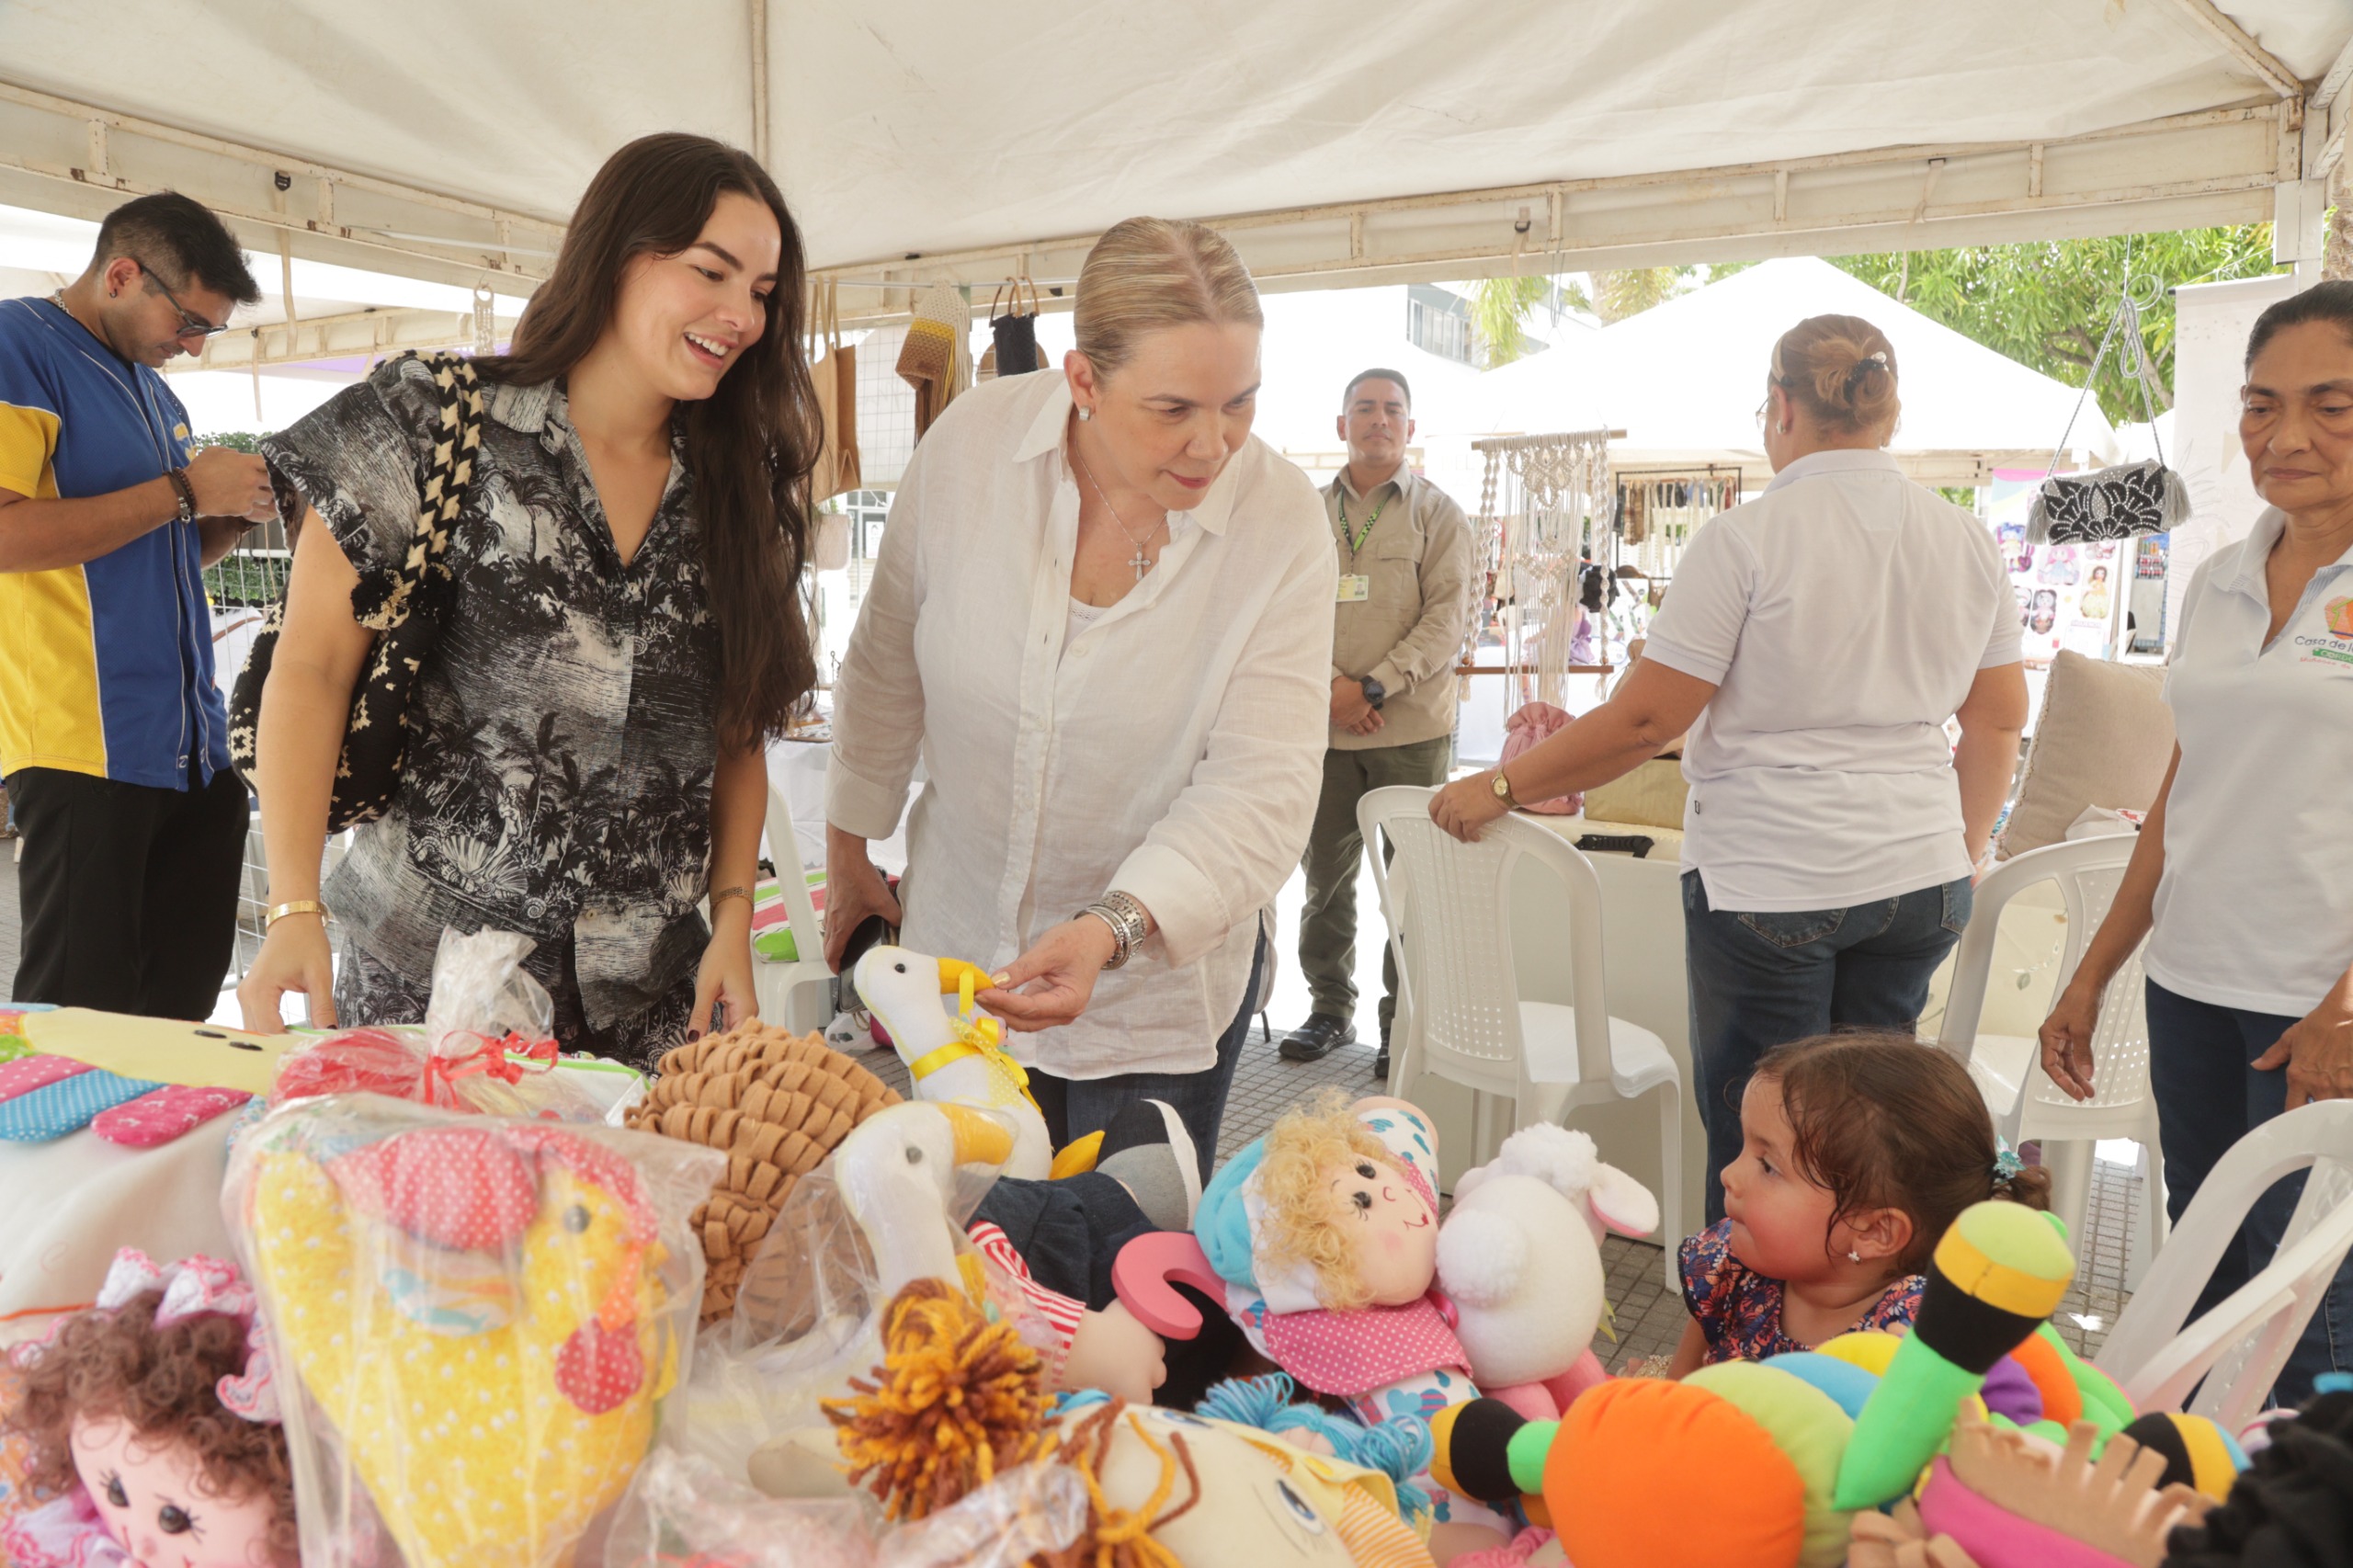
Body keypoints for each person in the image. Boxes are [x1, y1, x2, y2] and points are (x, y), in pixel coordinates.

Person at [235, 133, 820, 1066]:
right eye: (712, 272)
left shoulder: (735, 490)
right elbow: (308, 669)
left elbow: (738, 732)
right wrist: (294, 903)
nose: (741, 314)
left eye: (761, 291)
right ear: (620, 253)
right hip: (433, 989)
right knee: (421, 1215)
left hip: (645, 1009)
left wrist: (733, 922)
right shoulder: (430, 420)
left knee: (626, 1217)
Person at [1430, 315, 2029, 1223]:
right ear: (1886, 411)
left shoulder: (1744, 538)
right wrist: (1966, 841)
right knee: (1870, 1136)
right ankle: (1851, 1343)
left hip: (1774, 877)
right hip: (1920, 877)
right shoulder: (1966, 540)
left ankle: (1750, 1346)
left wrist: (1499, 782)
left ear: (1780, 406)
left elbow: (1644, 717)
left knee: (1765, 1144)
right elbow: (1995, 720)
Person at [824, 216, 1333, 1172]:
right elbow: (887, 656)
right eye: (1173, 407)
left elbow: (1261, 788)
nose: (1213, 443)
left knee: (1118, 1289)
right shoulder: (971, 448)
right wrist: (850, 846)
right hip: (960, 961)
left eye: (1240, 403)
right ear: (1083, 380)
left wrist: (1113, 927)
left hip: (1151, 1004)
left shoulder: (1282, 523)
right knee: (972, 1250)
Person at [2040, 281, 2353, 1403]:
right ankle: (2222, 1494)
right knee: (2211, 1261)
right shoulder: (2220, 578)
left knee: (2314, 1305)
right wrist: (2093, 971)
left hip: (2315, 1003)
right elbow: (2185, 789)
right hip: (2191, 987)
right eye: (2262, 404)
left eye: (2332, 404)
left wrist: (2342, 1008)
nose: (2287, 435)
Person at [0, 193, 273, 1019]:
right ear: (121, 274)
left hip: (192, 752)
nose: (191, 347)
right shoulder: (17, 346)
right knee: (78, 1027)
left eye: (209, 332)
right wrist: (188, 489)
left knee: (178, 1018)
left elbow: (162, 545)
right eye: (189, 321)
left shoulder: (157, 394)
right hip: (85, 746)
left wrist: (227, 516)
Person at [1279, 369, 1472, 1075]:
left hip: (1411, 734)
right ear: (1341, 426)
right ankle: (1329, 1010)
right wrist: (1330, 690)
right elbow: (1279, 610)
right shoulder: (1301, 512)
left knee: (1411, 886)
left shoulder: (1440, 515)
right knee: (1321, 879)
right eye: (1364, 408)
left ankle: (1402, 1027)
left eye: (1393, 409)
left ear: (1411, 428)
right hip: (1322, 729)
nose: (1379, 420)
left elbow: (1447, 620)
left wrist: (1370, 687)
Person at [1668, 1032, 2053, 1373]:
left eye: (1768, 1167)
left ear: (1874, 1232)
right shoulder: (1736, 1264)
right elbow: (1677, 1389)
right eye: (1745, 1148)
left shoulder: (1909, 1340)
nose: (1729, 1176)